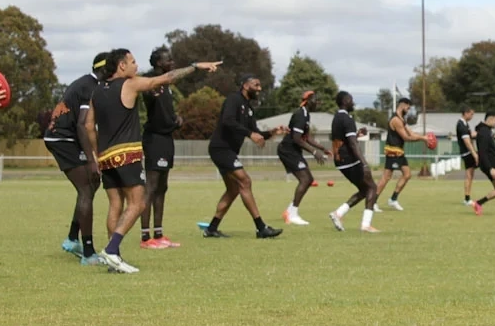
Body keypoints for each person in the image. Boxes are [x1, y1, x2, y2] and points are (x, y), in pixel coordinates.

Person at [89, 48, 217, 270]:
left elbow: (88, 125)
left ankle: (114, 259)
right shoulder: (130, 84)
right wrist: (195, 67)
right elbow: (166, 78)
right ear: (121, 66)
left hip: (105, 155)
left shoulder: (97, 91)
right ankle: (111, 250)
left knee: (115, 204)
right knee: (138, 203)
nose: (136, 66)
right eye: (132, 61)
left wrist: (95, 152)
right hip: (127, 152)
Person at [44, 54, 108, 262]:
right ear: (105, 70)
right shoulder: (91, 87)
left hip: (65, 138)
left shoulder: (87, 82)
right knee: (86, 189)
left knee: (91, 185)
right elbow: (82, 124)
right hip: (63, 139)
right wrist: (91, 159)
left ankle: (73, 238)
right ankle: (88, 252)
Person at [204, 74, 282, 238]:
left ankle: (211, 229)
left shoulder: (249, 108)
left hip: (229, 151)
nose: (259, 89)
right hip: (220, 148)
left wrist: (272, 132)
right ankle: (261, 228)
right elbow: (227, 121)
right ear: (246, 86)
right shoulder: (234, 99)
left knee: (233, 190)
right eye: (256, 85)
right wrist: (249, 133)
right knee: (245, 181)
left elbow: (256, 134)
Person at [139, 46, 183, 248]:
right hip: (154, 139)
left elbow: (166, 112)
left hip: (167, 138)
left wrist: (176, 119)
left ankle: (159, 234)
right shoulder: (150, 82)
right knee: (151, 186)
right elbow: (148, 96)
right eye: (169, 60)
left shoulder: (166, 84)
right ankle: (145, 237)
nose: (172, 62)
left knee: (162, 187)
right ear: (158, 63)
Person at [327, 92, 382, 232]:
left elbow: (345, 140)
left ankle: (338, 214)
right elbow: (352, 144)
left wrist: (357, 135)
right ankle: (366, 225)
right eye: (351, 100)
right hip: (350, 160)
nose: (353, 103)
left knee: (364, 190)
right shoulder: (347, 119)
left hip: (340, 161)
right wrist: (363, 163)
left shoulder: (336, 118)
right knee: (372, 188)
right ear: (345, 101)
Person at [277, 90, 330, 227]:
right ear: (308, 101)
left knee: (308, 179)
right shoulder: (300, 114)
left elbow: (307, 137)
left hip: (293, 151)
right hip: (288, 150)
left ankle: (290, 211)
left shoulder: (306, 114)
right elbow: (296, 139)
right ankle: (293, 214)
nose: (318, 103)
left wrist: (322, 148)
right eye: (315, 100)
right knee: (305, 179)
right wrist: (314, 152)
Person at [379, 97, 418, 210]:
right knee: (386, 177)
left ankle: (393, 199)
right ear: (403, 105)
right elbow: (406, 137)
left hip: (399, 152)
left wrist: (424, 137)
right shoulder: (396, 119)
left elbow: (411, 132)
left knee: (407, 174)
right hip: (393, 151)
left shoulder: (402, 119)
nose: (408, 110)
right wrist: (423, 139)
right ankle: (373, 202)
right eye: (408, 108)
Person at [455, 105, 481, 203]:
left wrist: (481, 132)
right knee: (470, 174)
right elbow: (467, 142)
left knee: (470, 175)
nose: (472, 116)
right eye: (471, 114)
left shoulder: (465, 124)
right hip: (467, 153)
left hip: (468, 152)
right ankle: (467, 199)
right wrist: (474, 154)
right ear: (466, 113)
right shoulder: (461, 125)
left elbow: (470, 136)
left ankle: (467, 198)